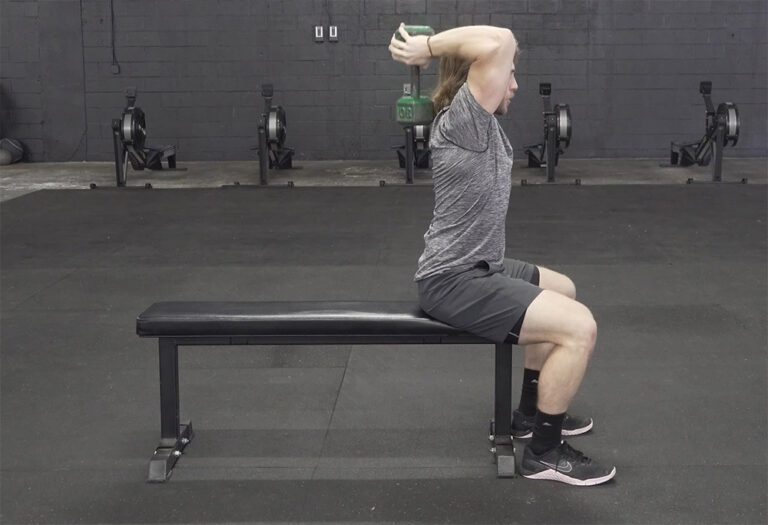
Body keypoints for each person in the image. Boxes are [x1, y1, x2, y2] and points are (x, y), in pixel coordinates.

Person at [389, 24, 616, 486]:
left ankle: (529, 415)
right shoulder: (464, 120)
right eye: (509, 74)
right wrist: (427, 48)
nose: (513, 83)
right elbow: (501, 40)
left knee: (564, 291)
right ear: (478, 77)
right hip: (453, 280)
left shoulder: (480, 121)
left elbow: (496, 48)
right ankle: (545, 452)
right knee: (580, 328)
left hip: (483, 264)